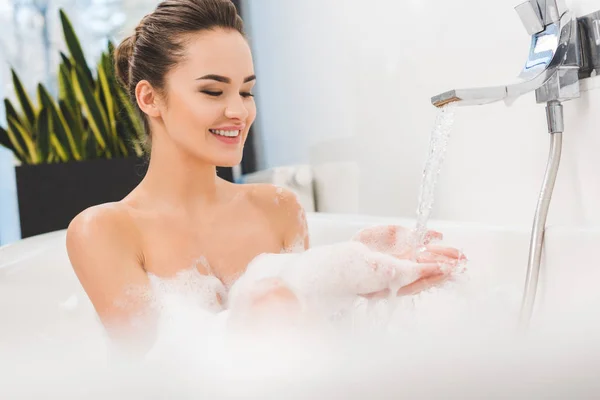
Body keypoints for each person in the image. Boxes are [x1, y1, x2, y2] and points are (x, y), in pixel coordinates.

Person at [65, 0, 465, 351]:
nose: (239, 112)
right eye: (212, 91)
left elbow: (314, 346)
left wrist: (370, 284)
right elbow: (158, 375)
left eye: (245, 91)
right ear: (150, 98)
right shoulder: (103, 231)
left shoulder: (278, 208)